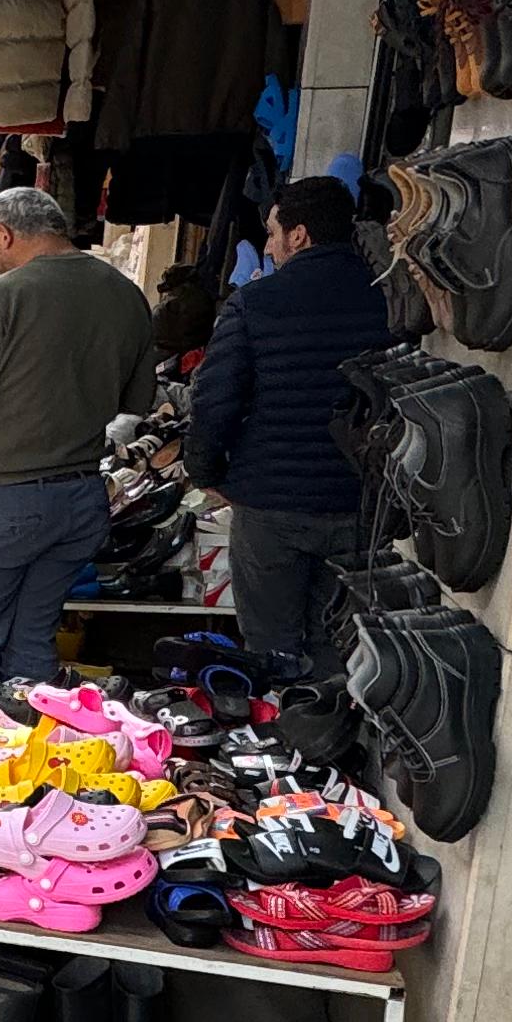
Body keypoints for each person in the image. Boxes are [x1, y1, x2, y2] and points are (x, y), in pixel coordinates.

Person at [0, 186, 156, 706]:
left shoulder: (0, 298)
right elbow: (135, 404)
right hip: (76, 503)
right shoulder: (126, 294)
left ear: (5, 235)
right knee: (31, 647)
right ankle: (29, 773)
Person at [187, 173, 395, 678]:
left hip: (271, 501)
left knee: (271, 648)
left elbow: (215, 399)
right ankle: (326, 741)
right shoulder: (387, 300)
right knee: (338, 642)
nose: (270, 245)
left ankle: (275, 740)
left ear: (298, 235)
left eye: (273, 233)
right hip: (357, 501)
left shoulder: (255, 302)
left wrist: (206, 470)